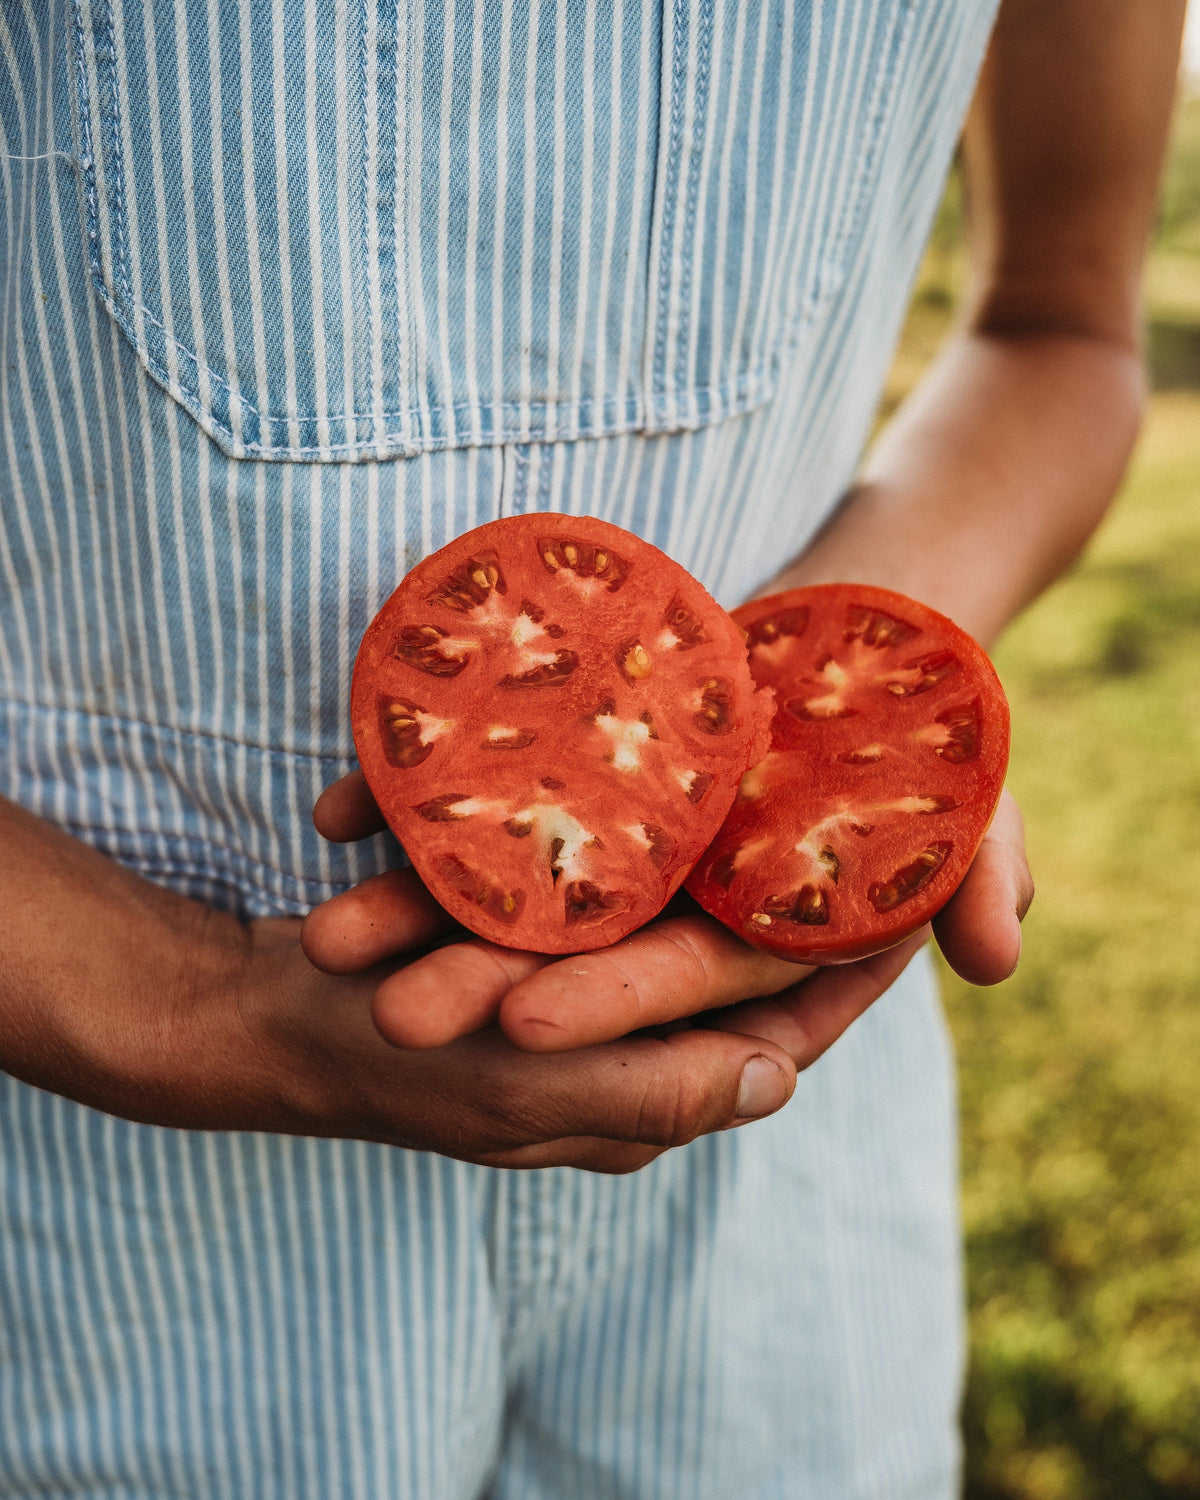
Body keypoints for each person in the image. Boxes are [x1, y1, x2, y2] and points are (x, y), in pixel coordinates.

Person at [0, 0, 1183, 1494]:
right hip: (85, 1150)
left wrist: (864, 727)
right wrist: (193, 1008)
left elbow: (1058, 326)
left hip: (771, 1169)